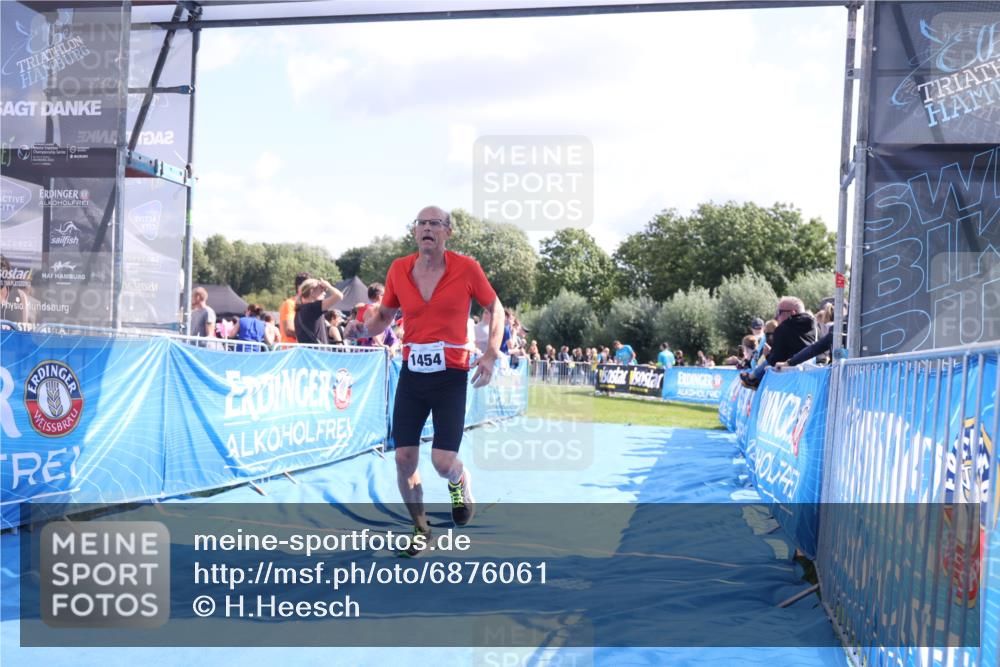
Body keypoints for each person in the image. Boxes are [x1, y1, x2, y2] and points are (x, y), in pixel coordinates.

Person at [363, 205, 502, 554]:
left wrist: (490, 353)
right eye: (421, 223)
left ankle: (459, 480)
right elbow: (386, 314)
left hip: (451, 375)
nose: (427, 228)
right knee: (403, 458)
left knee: (442, 462)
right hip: (413, 374)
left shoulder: (467, 268)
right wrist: (368, 327)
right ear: (415, 232)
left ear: (447, 233)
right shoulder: (398, 269)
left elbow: (494, 307)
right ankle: (421, 528)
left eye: (435, 224)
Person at [740, 296, 817, 389]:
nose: (776, 316)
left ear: (793, 312)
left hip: (787, 378)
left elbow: (775, 359)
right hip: (809, 375)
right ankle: (752, 377)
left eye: (780, 312)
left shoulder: (783, 329)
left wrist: (768, 355)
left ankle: (752, 378)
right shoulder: (813, 326)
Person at [295, 279, 344, 344]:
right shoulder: (312, 308)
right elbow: (339, 296)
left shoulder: (300, 310)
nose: (324, 293)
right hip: (317, 352)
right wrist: (328, 285)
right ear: (312, 292)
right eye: (321, 290)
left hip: (307, 352)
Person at [279, 272, 310, 344]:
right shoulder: (290, 303)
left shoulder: (309, 305)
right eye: (310, 286)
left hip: (304, 351)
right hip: (291, 352)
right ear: (300, 287)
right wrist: (310, 337)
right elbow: (289, 330)